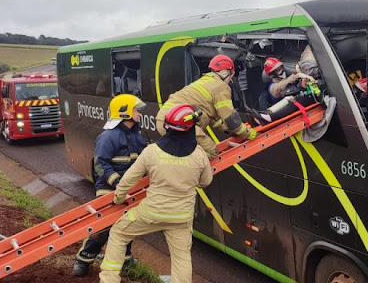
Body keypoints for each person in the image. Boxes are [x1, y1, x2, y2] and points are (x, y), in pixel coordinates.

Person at [99, 104, 212, 283]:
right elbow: (206, 181)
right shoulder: (199, 155)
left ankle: (108, 280)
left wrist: (118, 198)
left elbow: (129, 179)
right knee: (181, 257)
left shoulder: (152, 152)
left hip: (151, 212)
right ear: (190, 129)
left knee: (119, 234)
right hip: (181, 217)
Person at [72, 94, 147, 277]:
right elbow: (100, 164)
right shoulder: (108, 137)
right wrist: (119, 183)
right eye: (135, 110)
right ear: (125, 113)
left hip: (130, 190)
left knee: (127, 225)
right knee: (103, 228)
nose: (138, 113)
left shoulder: (137, 136)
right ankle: (83, 260)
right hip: (109, 189)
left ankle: (125, 260)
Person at [155, 54, 257, 159]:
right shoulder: (221, 87)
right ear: (228, 72)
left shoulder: (204, 81)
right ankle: (184, 171)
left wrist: (228, 131)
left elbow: (211, 117)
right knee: (211, 151)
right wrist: (246, 133)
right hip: (180, 124)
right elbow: (230, 118)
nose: (229, 82)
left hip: (163, 121)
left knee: (184, 152)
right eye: (231, 78)